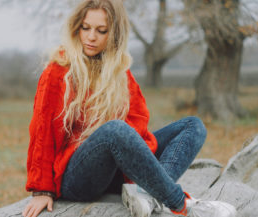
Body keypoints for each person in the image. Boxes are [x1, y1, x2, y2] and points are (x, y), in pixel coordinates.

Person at [22, 1, 237, 217]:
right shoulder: (59, 70)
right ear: (76, 27)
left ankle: (146, 195)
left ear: (114, 34)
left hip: (116, 171)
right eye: (85, 28)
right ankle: (181, 205)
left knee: (193, 126)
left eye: (101, 31)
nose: (91, 37)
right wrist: (41, 190)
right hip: (76, 177)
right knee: (114, 130)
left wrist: (138, 162)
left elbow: (137, 122)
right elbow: (43, 132)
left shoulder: (119, 72)